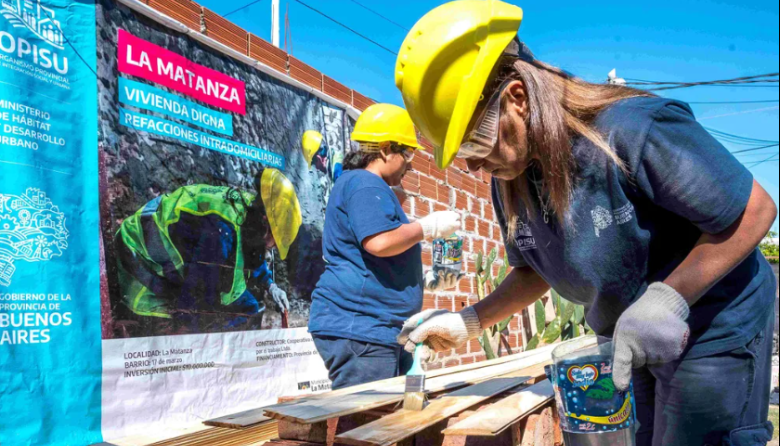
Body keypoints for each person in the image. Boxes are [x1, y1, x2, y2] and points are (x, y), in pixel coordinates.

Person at [394, 2, 778, 445]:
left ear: (517, 98)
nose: (476, 163)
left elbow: (753, 210)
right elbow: (534, 270)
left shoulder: (630, 129)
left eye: (475, 141)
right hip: (630, 337)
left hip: (713, 320)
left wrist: (669, 299)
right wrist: (470, 322)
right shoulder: (511, 180)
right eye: (463, 156)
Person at [309, 104, 462, 390]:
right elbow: (379, 243)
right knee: (366, 426)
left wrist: (424, 281)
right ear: (384, 149)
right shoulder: (365, 183)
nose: (412, 164)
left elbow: (372, 256)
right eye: (408, 154)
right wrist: (428, 228)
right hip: (361, 327)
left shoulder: (360, 185)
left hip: (374, 328)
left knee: (386, 419)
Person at [115, 168, 302, 331]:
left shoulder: (250, 213)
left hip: (189, 266)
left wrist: (271, 285)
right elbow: (198, 301)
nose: (274, 247)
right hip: (142, 260)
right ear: (265, 223)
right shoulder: (219, 234)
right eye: (275, 240)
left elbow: (252, 255)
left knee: (249, 309)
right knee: (189, 329)